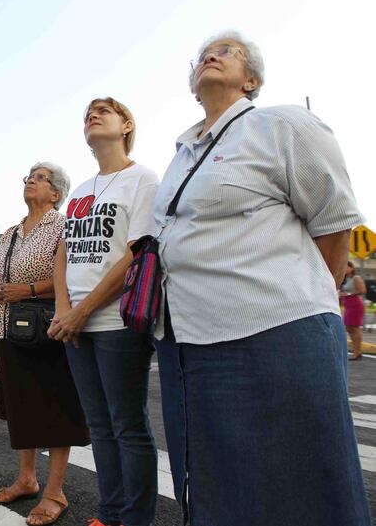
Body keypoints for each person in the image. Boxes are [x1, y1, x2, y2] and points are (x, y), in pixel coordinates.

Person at [153, 31, 370, 524]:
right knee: (220, 491)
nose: (211, 54)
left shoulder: (283, 124)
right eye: (204, 54)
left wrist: (292, 299)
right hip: (187, 345)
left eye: (227, 52)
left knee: (306, 490)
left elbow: (334, 227)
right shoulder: (181, 154)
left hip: (274, 338)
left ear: (252, 79)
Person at [47, 98, 159, 526]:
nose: (92, 116)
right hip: (75, 324)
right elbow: (64, 253)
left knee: (128, 425)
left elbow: (137, 254)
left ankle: (136, 519)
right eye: (87, 114)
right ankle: (109, 513)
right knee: (99, 425)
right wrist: (64, 309)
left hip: (116, 322)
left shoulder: (143, 180)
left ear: (126, 125)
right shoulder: (81, 190)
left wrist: (83, 311)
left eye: (104, 111)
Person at [0, 162, 89, 526]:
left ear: (56, 193)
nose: (30, 180)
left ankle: (55, 491)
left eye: (40, 178)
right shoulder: (10, 232)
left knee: (56, 406)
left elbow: (71, 274)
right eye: (28, 176)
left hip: (46, 327)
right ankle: (26, 479)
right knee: (20, 406)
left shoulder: (64, 225)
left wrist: (26, 289)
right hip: (4, 326)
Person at [341, 261, 368, 361]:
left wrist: (347, 294)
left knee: (355, 328)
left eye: (347, 267)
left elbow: (363, 290)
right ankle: (356, 350)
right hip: (348, 305)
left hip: (356, 305)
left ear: (352, 268)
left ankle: (357, 352)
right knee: (349, 328)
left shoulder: (356, 278)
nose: (345, 269)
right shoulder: (345, 279)